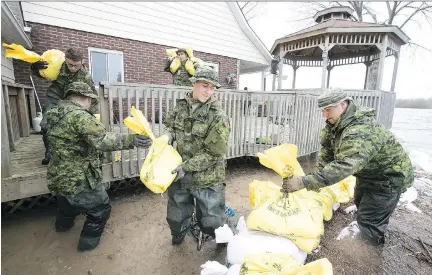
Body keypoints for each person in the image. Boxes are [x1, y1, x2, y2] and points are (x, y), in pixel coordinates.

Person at [282, 88, 414, 246]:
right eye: (323, 111)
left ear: (343, 105)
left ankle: (369, 256)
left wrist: (305, 182)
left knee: (370, 221)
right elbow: (327, 152)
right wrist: (316, 178)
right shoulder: (336, 125)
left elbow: (344, 165)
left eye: (328, 110)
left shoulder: (360, 129)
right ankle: (368, 233)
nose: (325, 115)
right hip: (367, 174)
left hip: (389, 177)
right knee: (361, 205)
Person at [45, 82, 152, 252]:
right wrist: (132, 140)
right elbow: (102, 140)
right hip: (78, 177)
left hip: (57, 174)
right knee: (100, 209)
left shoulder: (53, 113)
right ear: (87, 98)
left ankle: (62, 227)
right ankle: (87, 246)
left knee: (66, 202)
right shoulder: (80, 117)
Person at [164, 66, 231, 245]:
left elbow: (213, 154)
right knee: (176, 218)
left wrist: (185, 167)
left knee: (213, 222)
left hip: (207, 177)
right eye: (204, 85)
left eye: (212, 88)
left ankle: (222, 241)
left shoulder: (217, 116)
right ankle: (179, 234)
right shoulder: (180, 107)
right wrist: (167, 137)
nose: (208, 91)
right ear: (194, 83)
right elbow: (169, 126)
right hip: (180, 175)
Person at [31, 48, 98, 165]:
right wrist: (35, 68)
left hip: (72, 99)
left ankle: (71, 151)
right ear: (65, 59)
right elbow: (42, 75)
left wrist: (93, 114)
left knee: (72, 124)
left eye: (76, 65)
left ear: (82, 62)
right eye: (70, 64)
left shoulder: (85, 76)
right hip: (55, 96)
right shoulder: (57, 65)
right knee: (47, 123)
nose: (72, 68)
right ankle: (49, 152)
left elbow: (92, 96)